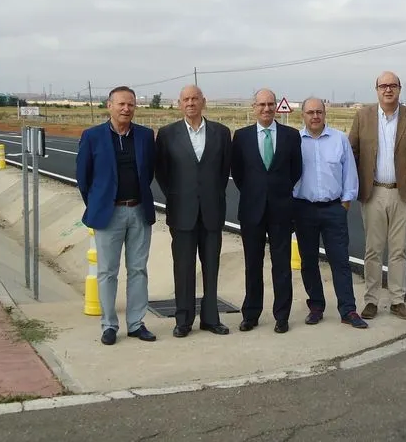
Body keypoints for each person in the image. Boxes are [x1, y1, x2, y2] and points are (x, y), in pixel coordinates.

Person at [76, 85, 157, 345]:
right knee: (107, 272)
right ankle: (109, 325)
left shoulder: (145, 136)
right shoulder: (92, 136)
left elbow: (149, 172)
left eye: (130, 104)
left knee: (138, 270)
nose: (126, 108)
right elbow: (83, 178)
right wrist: (100, 204)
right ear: (109, 106)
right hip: (108, 215)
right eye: (121, 104)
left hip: (139, 212)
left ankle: (136, 323)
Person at [348, 71, 406, 321]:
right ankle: (371, 300)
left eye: (392, 85)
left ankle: (397, 300)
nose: (388, 90)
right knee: (373, 249)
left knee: (399, 250)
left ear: (399, 89)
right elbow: (351, 151)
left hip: (402, 193)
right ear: (376, 89)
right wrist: (347, 187)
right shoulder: (363, 116)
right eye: (383, 86)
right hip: (373, 192)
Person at [154, 85, 232, 338]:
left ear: (203, 102)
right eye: (185, 99)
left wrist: (209, 195)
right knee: (184, 268)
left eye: (195, 99)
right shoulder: (167, 134)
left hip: (212, 212)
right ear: (179, 104)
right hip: (182, 213)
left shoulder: (221, 133)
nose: (190, 103)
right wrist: (179, 195)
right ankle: (183, 320)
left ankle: (211, 318)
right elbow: (162, 173)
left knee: (211, 267)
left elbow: (223, 172)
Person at [231, 88, 302, 333]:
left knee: (281, 265)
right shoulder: (241, 137)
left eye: (271, 104)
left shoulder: (291, 136)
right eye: (262, 104)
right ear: (254, 107)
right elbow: (238, 174)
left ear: (276, 107)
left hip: (282, 210)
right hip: (252, 210)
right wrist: (257, 192)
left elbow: (296, 171)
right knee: (253, 264)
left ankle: (281, 316)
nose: (267, 109)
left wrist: (277, 192)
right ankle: (250, 313)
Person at [293, 98, 367, 329]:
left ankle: (348, 310)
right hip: (304, 208)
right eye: (310, 112)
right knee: (309, 261)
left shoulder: (339, 139)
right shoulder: (295, 141)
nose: (315, 116)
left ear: (325, 114)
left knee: (340, 261)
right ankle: (316, 306)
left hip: (334, 209)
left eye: (319, 112)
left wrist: (345, 202)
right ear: (303, 115)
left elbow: (349, 174)